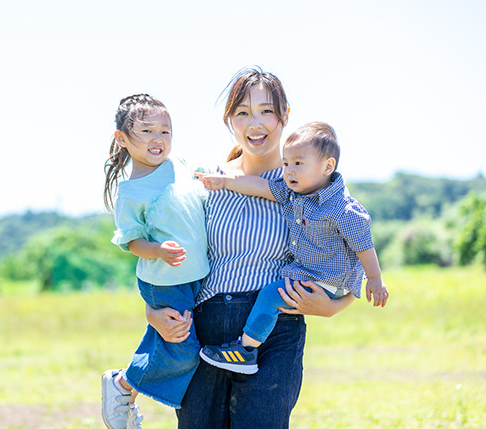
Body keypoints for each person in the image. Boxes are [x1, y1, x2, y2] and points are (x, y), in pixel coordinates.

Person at [144, 66, 356, 428]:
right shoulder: (207, 179)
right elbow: (172, 254)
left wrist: (338, 304)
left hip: (275, 331)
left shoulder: (307, 182)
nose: (254, 123)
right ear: (230, 120)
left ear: (284, 116)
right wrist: (153, 312)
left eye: (266, 111)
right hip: (203, 328)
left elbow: (348, 247)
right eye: (242, 112)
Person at [196, 121, 389, 374]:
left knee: (270, 296)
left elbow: (363, 244)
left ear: (327, 166)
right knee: (274, 296)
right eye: (286, 164)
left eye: (298, 163)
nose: (289, 171)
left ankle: (244, 350)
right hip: (312, 276)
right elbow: (262, 187)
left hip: (325, 280)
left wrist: (374, 279)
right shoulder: (293, 194)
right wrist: (225, 182)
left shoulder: (341, 208)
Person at [100, 94, 209, 429]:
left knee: (173, 339)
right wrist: (159, 250)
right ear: (122, 138)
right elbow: (132, 242)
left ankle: (125, 386)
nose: (158, 139)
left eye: (165, 131)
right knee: (182, 347)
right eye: (147, 131)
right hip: (164, 278)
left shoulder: (182, 166)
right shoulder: (131, 192)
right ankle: (123, 386)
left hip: (196, 275)